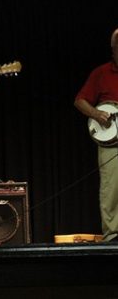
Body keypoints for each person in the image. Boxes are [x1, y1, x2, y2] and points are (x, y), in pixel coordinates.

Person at [74, 28, 118, 242]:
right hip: (111, 142)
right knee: (111, 188)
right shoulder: (101, 73)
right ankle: (113, 235)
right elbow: (80, 101)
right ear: (113, 49)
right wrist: (97, 114)